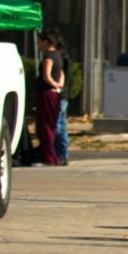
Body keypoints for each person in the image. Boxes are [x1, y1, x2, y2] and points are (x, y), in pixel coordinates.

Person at [34, 32, 65, 166]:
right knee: (52, 126)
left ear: (46, 42)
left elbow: (46, 75)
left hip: (47, 94)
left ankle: (48, 157)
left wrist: (53, 84)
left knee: (44, 127)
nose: (38, 45)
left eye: (39, 42)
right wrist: (59, 86)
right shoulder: (58, 56)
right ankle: (53, 156)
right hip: (55, 94)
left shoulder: (48, 57)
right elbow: (61, 74)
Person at [49, 30, 71, 166]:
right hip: (63, 94)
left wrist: (57, 87)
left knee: (58, 125)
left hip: (61, 95)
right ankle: (63, 154)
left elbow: (62, 76)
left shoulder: (59, 59)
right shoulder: (64, 58)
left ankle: (61, 153)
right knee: (61, 125)